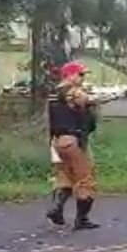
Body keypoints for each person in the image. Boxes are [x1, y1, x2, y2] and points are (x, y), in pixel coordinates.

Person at [45, 61, 101, 229]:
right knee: (86, 179)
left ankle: (57, 209)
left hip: (57, 141)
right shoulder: (74, 92)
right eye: (81, 74)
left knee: (65, 177)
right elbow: (89, 101)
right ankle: (81, 219)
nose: (83, 78)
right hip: (73, 140)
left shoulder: (54, 93)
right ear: (70, 75)